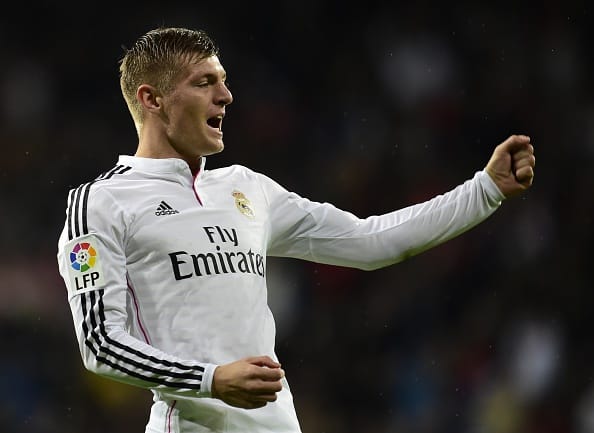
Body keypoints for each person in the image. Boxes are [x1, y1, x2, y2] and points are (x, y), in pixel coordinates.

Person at [56, 26, 535, 433]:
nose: (225, 96)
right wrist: (211, 380)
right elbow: (100, 343)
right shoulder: (102, 202)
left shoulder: (248, 189)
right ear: (152, 99)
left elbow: (371, 241)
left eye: (223, 81)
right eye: (204, 83)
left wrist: (485, 190)